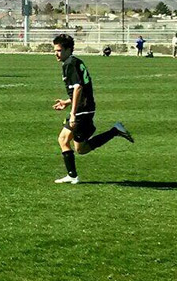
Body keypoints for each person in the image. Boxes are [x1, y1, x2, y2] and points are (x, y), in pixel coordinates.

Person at [51, 34, 134, 184]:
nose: (56, 53)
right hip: (86, 107)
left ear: (69, 50)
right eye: (55, 50)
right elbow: (82, 90)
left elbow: (78, 88)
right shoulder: (75, 62)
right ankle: (115, 131)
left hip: (82, 110)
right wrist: (66, 102)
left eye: (59, 50)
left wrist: (73, 112)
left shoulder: (70, 63)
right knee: (81, 149)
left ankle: (72, 176)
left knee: (63, 139)